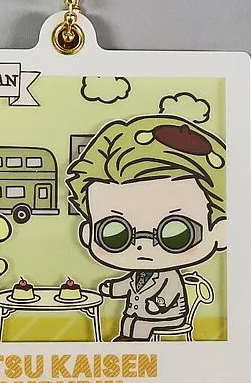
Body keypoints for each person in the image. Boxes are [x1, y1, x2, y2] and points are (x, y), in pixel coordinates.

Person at [66, 115, 226, 341]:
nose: (143, 245)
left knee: (138, 325)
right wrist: (111, 289)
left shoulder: (169, 277)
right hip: (138, 314)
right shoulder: (138, 274)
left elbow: (170, 294)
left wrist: (158, 304)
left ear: (220, 232)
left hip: (166, 316)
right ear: (88, 233)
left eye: (176, 234)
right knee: (129, 322)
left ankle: (134, 344)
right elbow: (126, 284)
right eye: (114, 234)